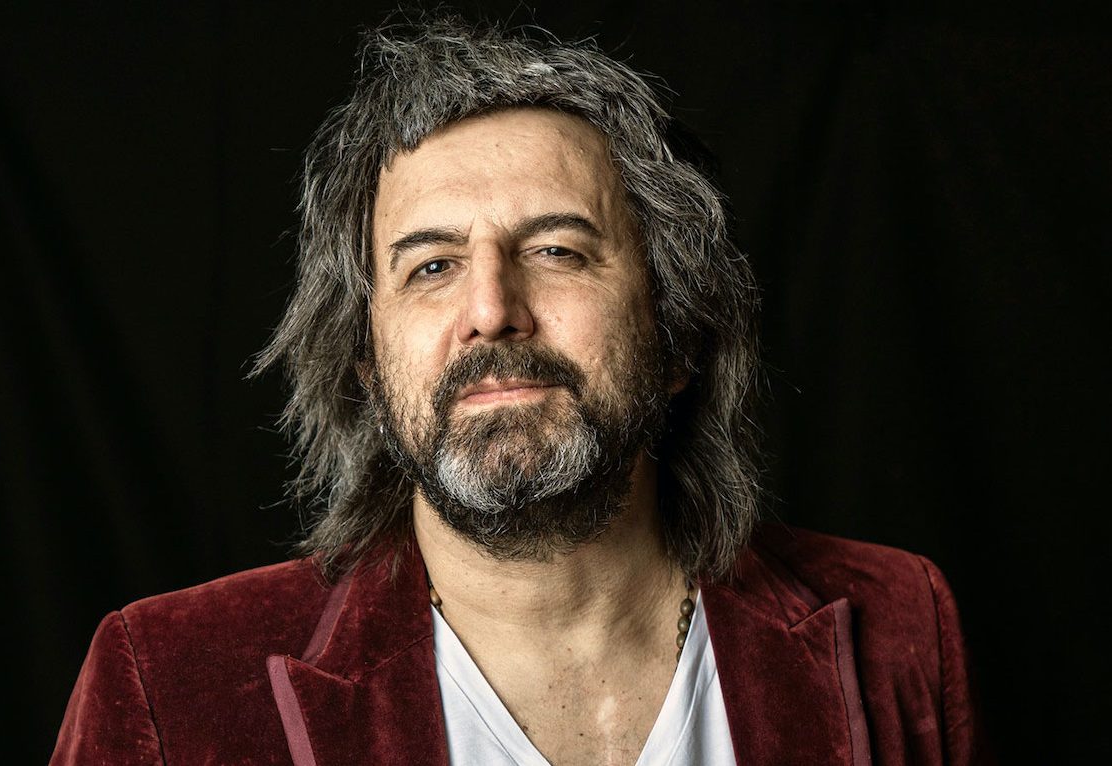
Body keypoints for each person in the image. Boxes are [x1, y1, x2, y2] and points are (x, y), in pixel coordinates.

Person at [52, 16, 985, 766]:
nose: (492, 310)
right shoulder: (168, 683)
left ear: (678, 332)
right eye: (430, 267)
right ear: (365, 364)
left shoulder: (897, 625)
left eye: (556, 251)